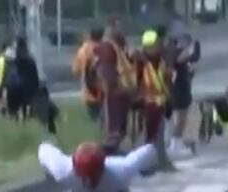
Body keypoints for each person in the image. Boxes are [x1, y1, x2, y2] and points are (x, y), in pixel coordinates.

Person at [95, 19, 137, 150]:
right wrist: (117, 86)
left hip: (124, 93)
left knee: (121, 128)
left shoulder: (120, 45)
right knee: (114, 129)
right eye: (119, 27)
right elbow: (106, 71)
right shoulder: (108, 46)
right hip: (114, 93)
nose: (123, 29)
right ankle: (110, 152)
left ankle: (117, 150)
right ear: (111, 29)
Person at [137, 30, 174, 170]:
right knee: (150, 136)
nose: (158, 47)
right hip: (147, 104)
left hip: (160, 103)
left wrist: (169, 98)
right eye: (154, 45)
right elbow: (136, 83)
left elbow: (165, 81)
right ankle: (150, 163)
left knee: (158, 136)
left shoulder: (160, 61)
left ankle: (161, 161)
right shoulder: (141, 63)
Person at [168, 30, 201, 156]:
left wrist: (191, 73)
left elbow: (187, 70)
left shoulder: (180, 55)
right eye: (186, 41)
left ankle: (177, 143)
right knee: (180, 120)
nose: (187, 44)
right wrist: (192, 49)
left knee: (181, 120)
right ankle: (175, 145)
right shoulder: (175, 53)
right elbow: (181, 60)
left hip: (183, 89)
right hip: (178, 90)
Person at [71, 28, 105, 124]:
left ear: (90, 36)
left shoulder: (83, 51)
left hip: (89, 91)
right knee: (106, 119)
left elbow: (75, 71)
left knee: (94, 119)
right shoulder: (106, 49)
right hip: (105, 90)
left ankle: (97, 135)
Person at [5, 37, 39, 121]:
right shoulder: (31, 61)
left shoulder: (15, 61)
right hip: (28, 91)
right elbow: (35, 78)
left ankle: (15, 117)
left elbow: (10, 77)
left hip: (18, 91)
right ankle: (27, 117)